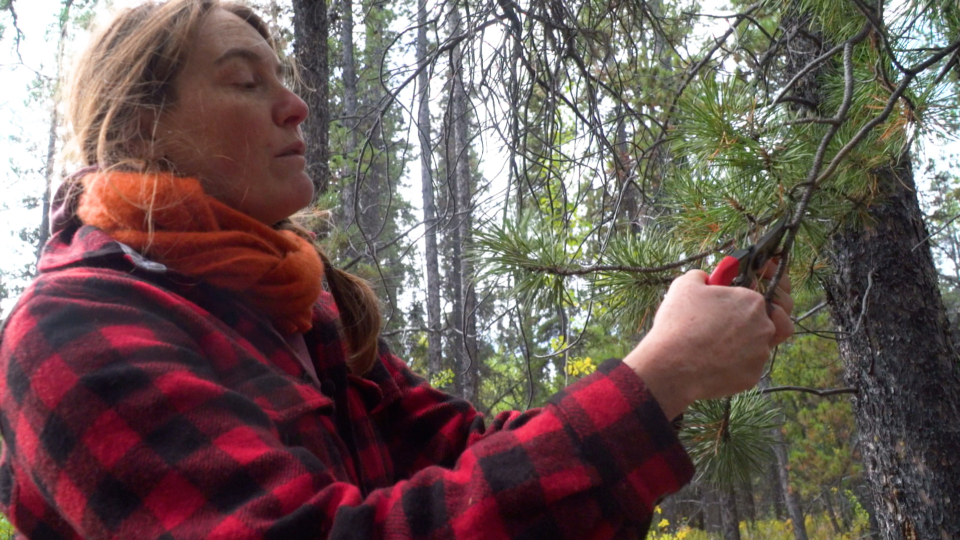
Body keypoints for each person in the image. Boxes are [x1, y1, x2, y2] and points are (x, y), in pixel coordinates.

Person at [0, 1, 794, 538]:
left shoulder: (302, 312)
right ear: (145, 127)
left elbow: (467, 452)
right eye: (246, 81)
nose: (294, 106)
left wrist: (675, 374)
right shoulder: (70, 332)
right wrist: (657, 378)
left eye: (285, 79)